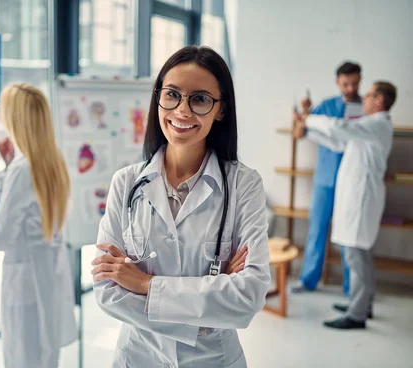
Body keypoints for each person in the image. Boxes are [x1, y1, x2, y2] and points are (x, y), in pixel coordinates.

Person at [91, 46, 271, 368]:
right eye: (172, 94)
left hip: (213, 359)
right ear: (158, 98)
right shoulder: (126, 183)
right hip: (138, 357)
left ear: (220, 110)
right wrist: (205, 314)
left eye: (200, 99)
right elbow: (108, 292)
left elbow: (248, 297)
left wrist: (145, 284)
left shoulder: (244, 185)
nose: (182, 111)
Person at [0, 83, 77, 367]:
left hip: (26, 283)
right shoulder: (52, 160)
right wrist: (9, 167)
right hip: (47, 275)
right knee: (45, 354)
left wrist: (3, 183)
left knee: (24, 357)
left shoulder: (22, 169)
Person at [294, 81, 396, 329]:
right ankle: (362, 304)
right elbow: (338, 142)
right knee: (360, 256)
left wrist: (308, 119)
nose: (365, 99)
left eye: (370, 95)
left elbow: (339, 127)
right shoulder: (369, 126)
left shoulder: (378, 123)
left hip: (362, 199)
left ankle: (357, 314)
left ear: (380, 100)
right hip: (358, 197)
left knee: (356, 256)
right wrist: (309, 130)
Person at [291, 61, 364, 295]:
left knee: (348, 235)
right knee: (317, 230)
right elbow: (299, 133)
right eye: (346, 83)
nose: (351, 88)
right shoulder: (326, 106)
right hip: (324, 180)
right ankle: (308, 280)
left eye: (355, 82)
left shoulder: (367, 108)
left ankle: (350, 288)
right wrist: (305, 114)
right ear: (338, 82)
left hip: (353, 181)